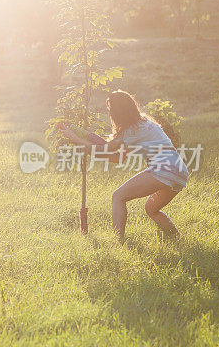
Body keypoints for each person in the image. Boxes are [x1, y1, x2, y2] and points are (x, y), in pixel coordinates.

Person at [60, 90, 188, 242]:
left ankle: (118, 240)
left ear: (117, 113)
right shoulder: (143, 124)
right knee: (152, 209)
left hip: (163, 169)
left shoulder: (130, 131)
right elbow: (118, 157)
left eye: (111, 111)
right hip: (179, 171)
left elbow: (105, 149)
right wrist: (89, 143)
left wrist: (76, 138)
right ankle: (176, 238)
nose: (110, 115)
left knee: (118, 197)